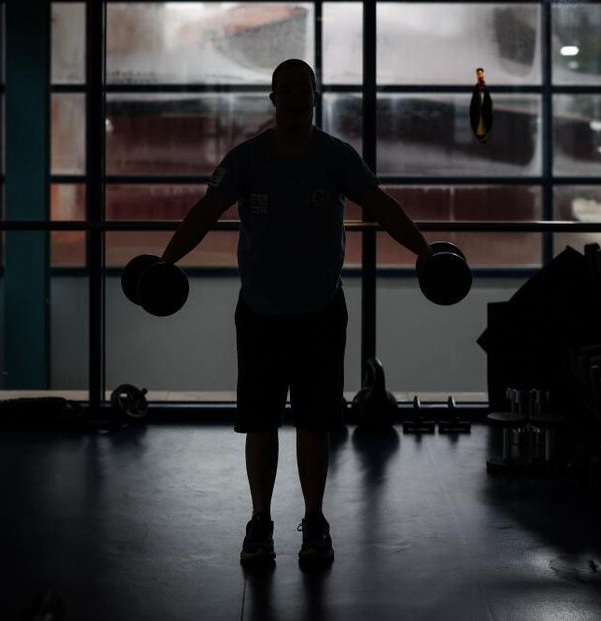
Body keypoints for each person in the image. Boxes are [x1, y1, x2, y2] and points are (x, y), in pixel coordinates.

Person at [160, 58, 433, 566]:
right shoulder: (247, 160)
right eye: (283, 88)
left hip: (320, 314)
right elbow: (203, 211)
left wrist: (426, 253)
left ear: (313, 96)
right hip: (261, 314)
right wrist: (164, 262)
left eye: (300, 88)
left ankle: (314, 522)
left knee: (314, 423)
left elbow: (382, 205)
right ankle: (260, 523)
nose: (291, 96)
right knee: (260, 424)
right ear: (272, 97)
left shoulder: (336, 157)